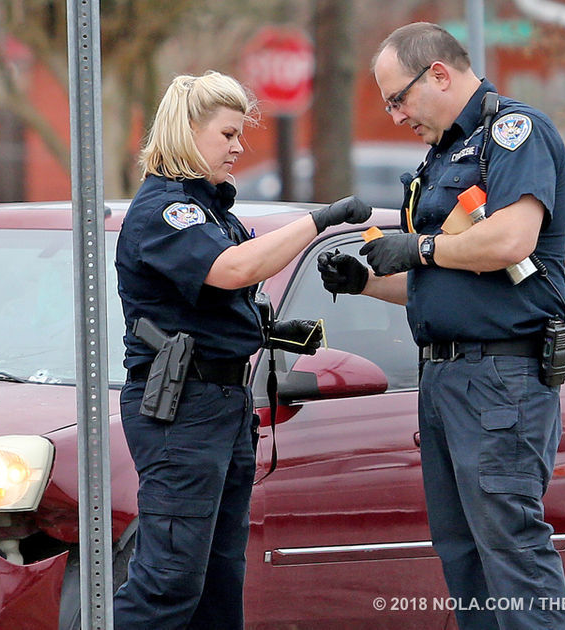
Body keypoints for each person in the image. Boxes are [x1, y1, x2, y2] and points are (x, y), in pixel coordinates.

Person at [318, 23, 565, 629]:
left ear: (437, 73)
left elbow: (512, 239)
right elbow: (437, 278)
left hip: (500, 376)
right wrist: (364, 281)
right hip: (446, 376)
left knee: (510, 548)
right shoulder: (441, 155)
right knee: (463, 555)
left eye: (397, 98)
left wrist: (420, 249)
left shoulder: (513, 133)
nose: (394, 114)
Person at [113, 71, 371, 629]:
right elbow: (234, 270)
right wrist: (319, 221)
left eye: (240, 134)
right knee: (169, 580)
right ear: (187, 132)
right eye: (228, 134)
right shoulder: (167, 210)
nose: (239, 147)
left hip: (223, 403)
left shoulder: (213, 213)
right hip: (182, 408)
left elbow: (232, 290)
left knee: (218, 583)